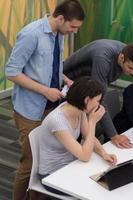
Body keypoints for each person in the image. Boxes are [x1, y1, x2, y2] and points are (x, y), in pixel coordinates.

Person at [4, 1, 85, 199]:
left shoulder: (59, 33)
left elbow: (50, 66)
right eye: (73, 27)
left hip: (51, 106)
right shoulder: (31, 34)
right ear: (60, 18)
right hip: (30, 110)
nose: (74, 32)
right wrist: (44, 90)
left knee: (45, 161)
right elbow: (11, 72)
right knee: (29, 163)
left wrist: (65, 80)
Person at [37, 77, 117, 194]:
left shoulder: (79, 110)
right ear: (87, 100)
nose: (99, 104)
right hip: (52, 175)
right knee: (97, 189)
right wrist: (92, 122)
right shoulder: (57, 121)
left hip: (72, 165)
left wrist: (103, 153)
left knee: (106, 181)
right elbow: (85, 156)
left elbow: (88, 137)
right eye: (98, 100)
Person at [63, 39, 133, 148]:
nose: (132, 73)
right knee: (73, 130)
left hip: (87, 84)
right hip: (69, 82)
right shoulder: (103, 58)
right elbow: (99, 99)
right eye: (130, 68)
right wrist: (114, 136)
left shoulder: (131, 55)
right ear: (122, 57)